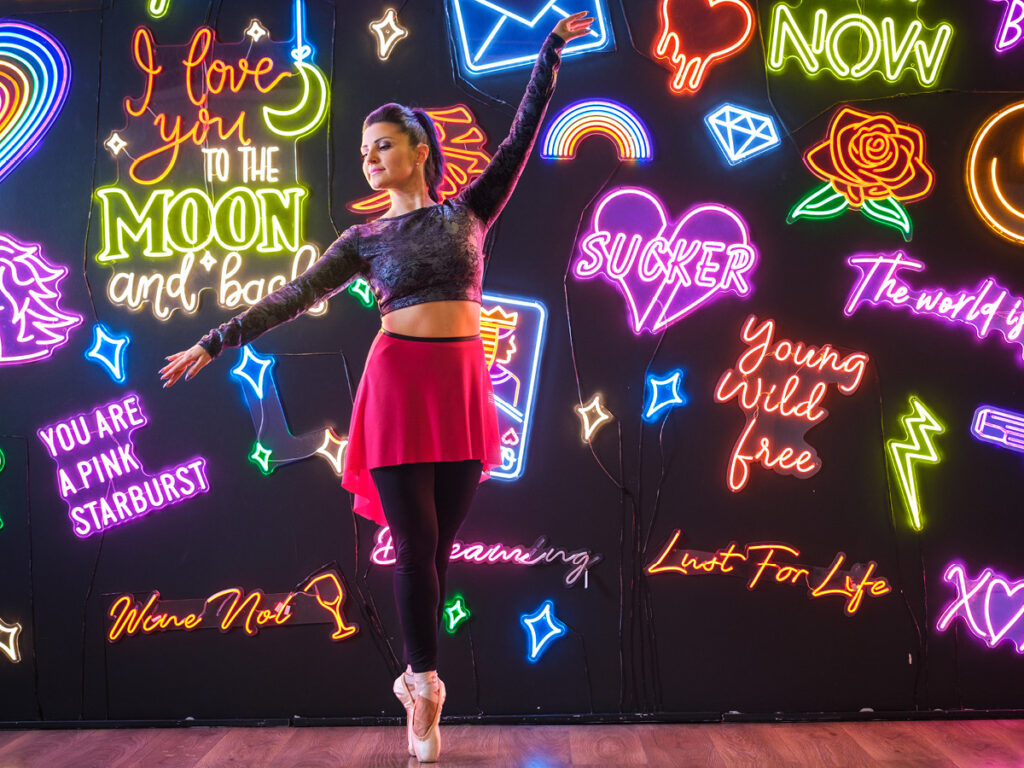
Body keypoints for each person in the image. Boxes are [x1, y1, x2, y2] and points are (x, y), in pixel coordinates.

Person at [159, 10, 594, 762]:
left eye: (383, 145)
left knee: (439, 548)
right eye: (363, 152)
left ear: (420, 150)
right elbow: (294, 295)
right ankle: (424, 683)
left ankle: (414, 679)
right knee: (416, 544)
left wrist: (548, 53)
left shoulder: (469, 212)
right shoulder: (362, 239)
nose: (370, 159)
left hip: (460, 388)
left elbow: (521, 137)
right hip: (396, 387)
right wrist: (216, 339)